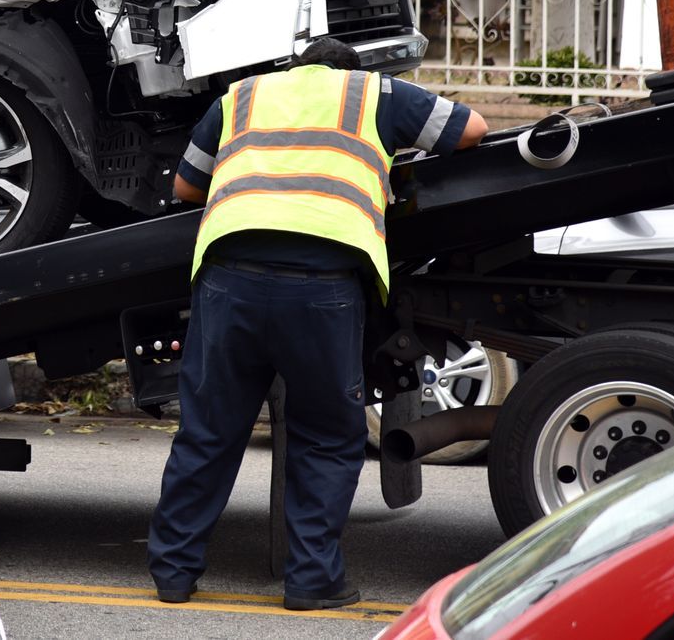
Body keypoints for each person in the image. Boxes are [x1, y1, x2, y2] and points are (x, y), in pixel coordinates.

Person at [147, 36, 486, 611]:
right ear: (349, 73)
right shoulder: (372, 95)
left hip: (230, 281)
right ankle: (311, 581)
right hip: (322, 288)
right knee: (327, 436)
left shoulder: (243, 96)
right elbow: (472, 129)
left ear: (295, 69)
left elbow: (184, 187)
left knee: (209, 430)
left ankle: (174, 573)